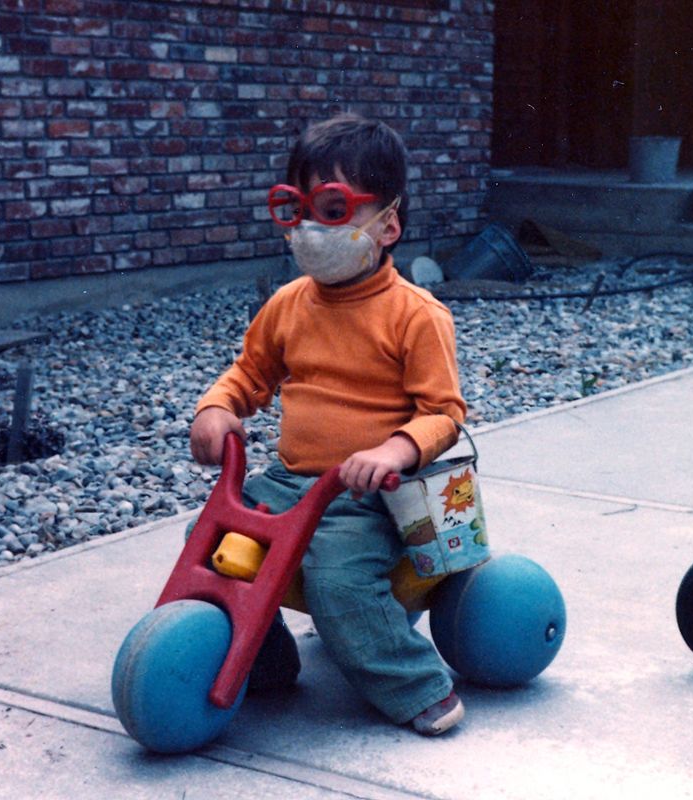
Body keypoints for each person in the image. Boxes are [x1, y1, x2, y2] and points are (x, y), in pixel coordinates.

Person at [188, 112, 468, 736]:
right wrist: (217, 407)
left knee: (339, 580)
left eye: (334, 209)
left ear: (388, 224)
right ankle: (263, 662)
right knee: (209, 545)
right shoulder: (288, 304)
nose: (313, 229)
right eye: (298, 208)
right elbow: (248, 374)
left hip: (366, 498)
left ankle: (417, 685)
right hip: (291, 481)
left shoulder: (415, 315)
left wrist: (395, 451)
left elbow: (443, 414)